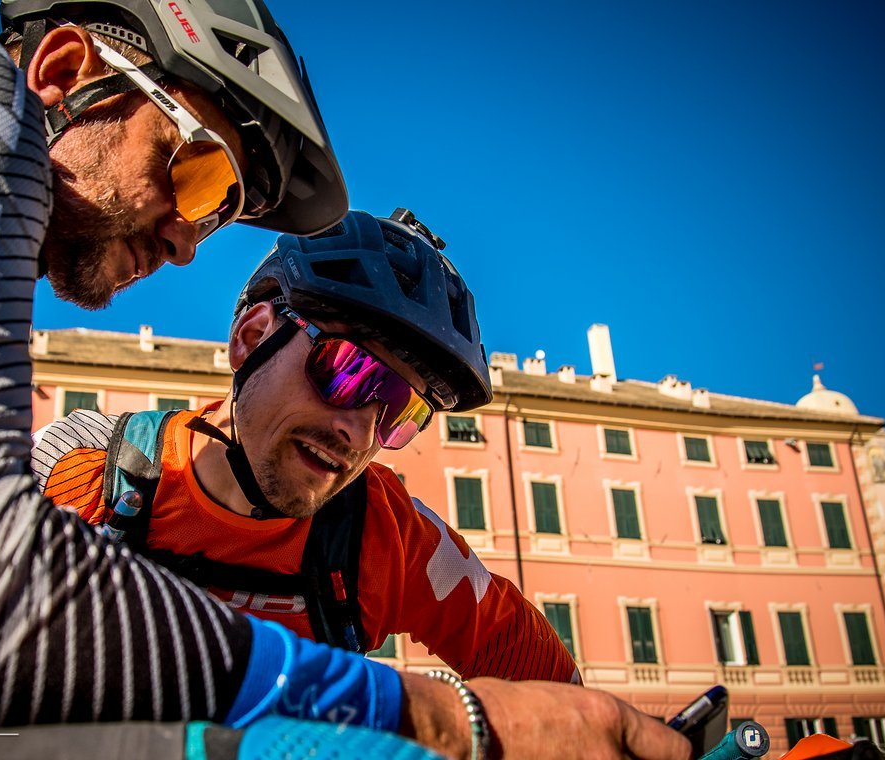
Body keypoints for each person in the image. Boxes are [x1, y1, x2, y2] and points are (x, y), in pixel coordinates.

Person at [0, 0, 689, 757]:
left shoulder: (385, 534)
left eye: (396, 409)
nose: (187, 247)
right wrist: (442, 724)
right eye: (195, 179)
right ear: (68, 69)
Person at [34, 208, 580, 684]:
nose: (362, 435)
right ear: (252, 337)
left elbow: (559, 696)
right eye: (349, 372)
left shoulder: (386, 533)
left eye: (399, 411)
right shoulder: (84, 466)